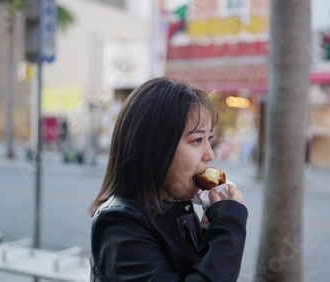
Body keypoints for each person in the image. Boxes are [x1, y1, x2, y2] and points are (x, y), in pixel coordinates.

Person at [88, 78, 248, 282]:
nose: (210, 154)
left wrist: (213, 227)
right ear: (155, 148)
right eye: (197, 140)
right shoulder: (120, 222)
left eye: (209, 139)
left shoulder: (178, 207)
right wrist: (229, 227)